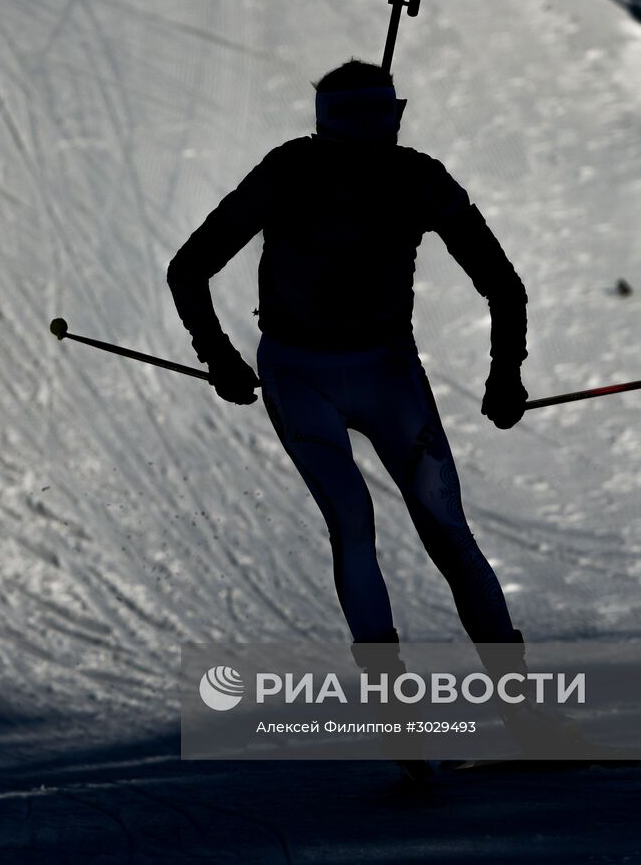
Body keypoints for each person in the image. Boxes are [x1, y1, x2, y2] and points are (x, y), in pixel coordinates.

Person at [167, 60, 555, 770]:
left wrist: (221, 356)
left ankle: (408, 724)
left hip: (305, 371)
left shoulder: (291, 170)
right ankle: (513, 713)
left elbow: (189, 267)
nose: (379, 132)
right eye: (375, 119)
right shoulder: (414, 177)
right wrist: (504, 376)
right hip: (381, 373)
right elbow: (503, 285)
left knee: (359, 527)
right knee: (439, 531)